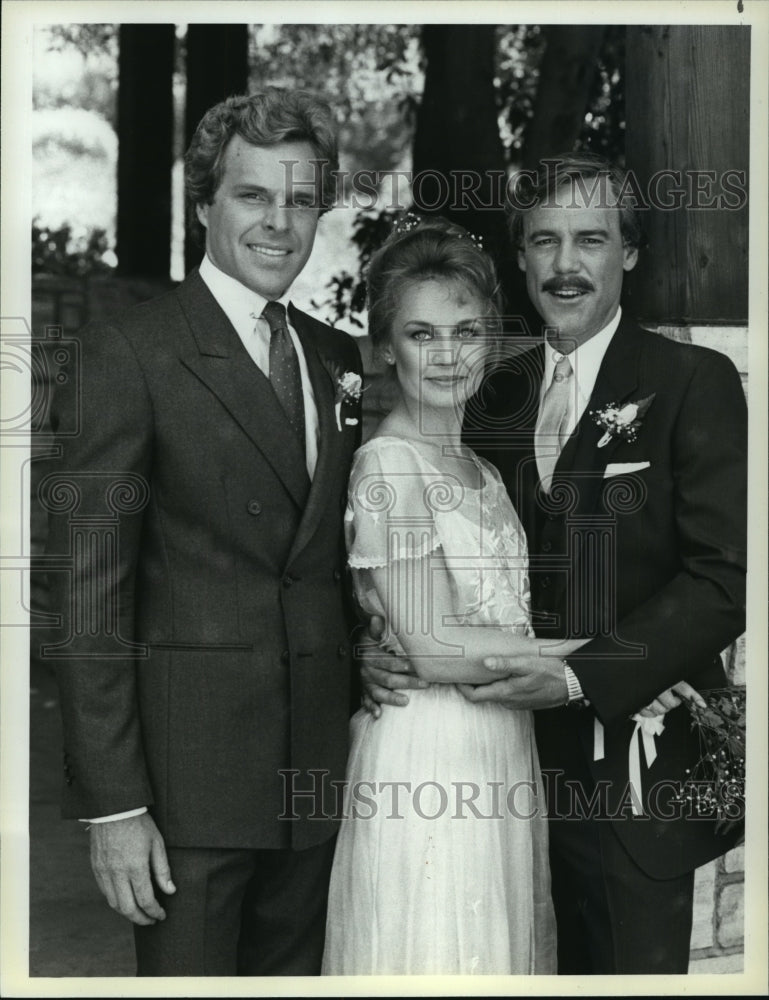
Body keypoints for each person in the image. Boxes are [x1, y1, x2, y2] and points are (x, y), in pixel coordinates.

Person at [363, 155, 747, 974]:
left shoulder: (692, 382)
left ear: (628, 252)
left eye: (590, 239)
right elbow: (417, 550)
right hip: (496, 766)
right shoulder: (483, 392)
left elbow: (725, 579)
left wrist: (580, 676)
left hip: (634, 781)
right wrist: (374, 638)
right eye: (544, 241)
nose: (565, 265)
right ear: (521, 256)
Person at [44, 89, 363, 976]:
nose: (279, 223)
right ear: (203, 205)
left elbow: (327, 562)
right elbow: (87, 598)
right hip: (188, 793)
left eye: (300, 200)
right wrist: (114, 806)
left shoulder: (336, 358)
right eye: (252, 195)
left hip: (315, 780)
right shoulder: (127, 353)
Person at [321, 216, 592, 975]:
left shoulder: (486, 470)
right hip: (427, 755)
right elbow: (436, 649)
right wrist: (597, 657)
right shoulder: (387, 466)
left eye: (465, 332)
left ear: (491, 340)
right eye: (421, 335)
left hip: (501, 746)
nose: (446, 355)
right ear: (386, 347)